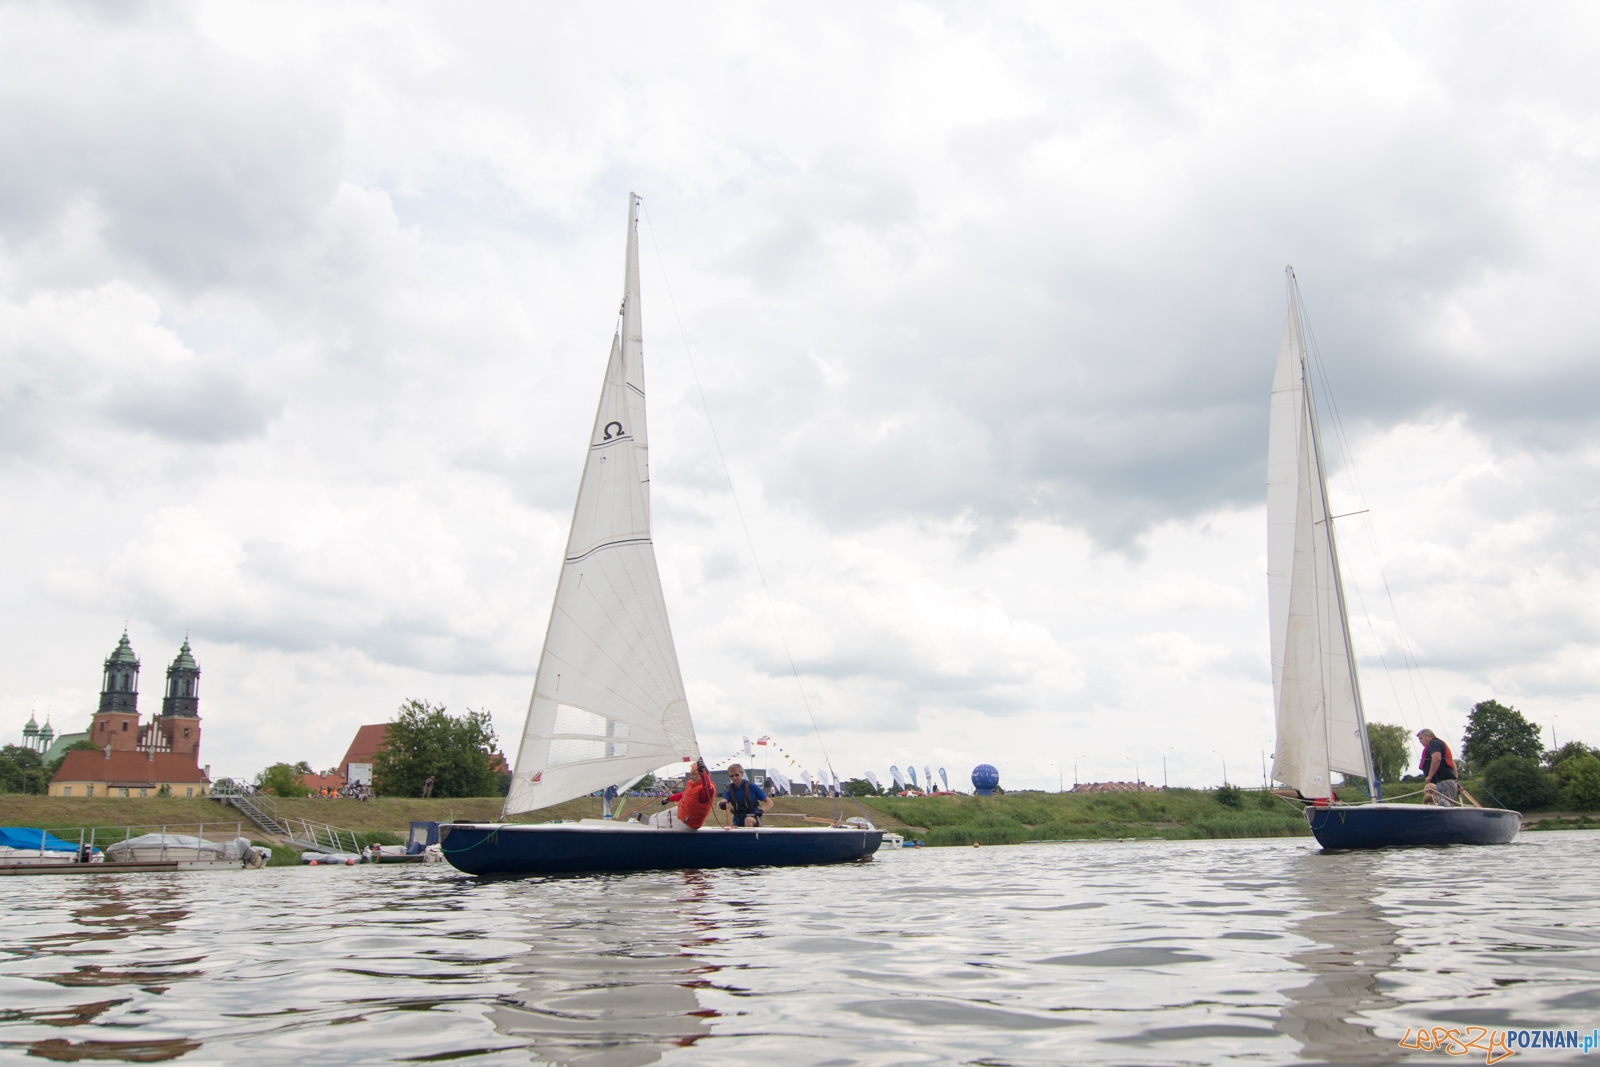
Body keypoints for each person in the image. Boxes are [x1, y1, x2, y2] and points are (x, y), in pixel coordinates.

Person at [652, 759, 715, 830]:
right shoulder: (693, 785)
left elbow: (707, 786)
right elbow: (685, 794)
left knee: (654, 821)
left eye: (694, 774)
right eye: (691, 774)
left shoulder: (708, 790)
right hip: (682, 812)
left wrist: (703, 772)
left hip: (687, 823)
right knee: (654, 816)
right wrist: (669, 798)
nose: (691, 777)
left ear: (702, 774)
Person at [1417, 729, 1458, 807]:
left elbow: (1436, 759)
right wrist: (1455, 780)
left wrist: (1430, 776)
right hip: (1444, 782)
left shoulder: (1434, 743)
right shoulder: (1435, 745)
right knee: (1440, 804)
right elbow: (1453, 764)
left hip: (1443, 782)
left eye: (1421, 738)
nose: (1420, 741)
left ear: (1428, 736)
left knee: (1444, 805)